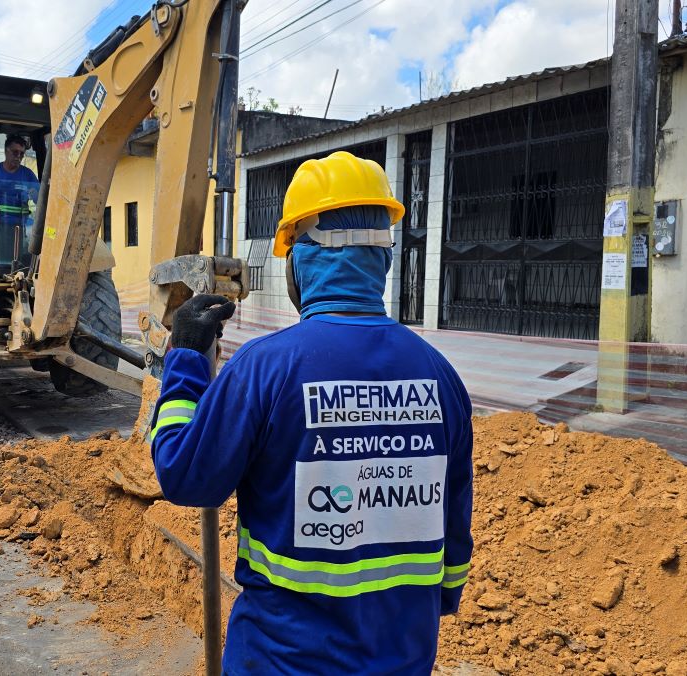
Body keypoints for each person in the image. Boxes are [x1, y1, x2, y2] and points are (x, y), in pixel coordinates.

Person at [150, 151, 474, 674]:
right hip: (401, 660)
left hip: (281, 661)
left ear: (299, 258)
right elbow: (453, 535)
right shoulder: (441, 379)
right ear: (383, 260)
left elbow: (186, 478)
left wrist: (186, 358)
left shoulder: (266, 369)